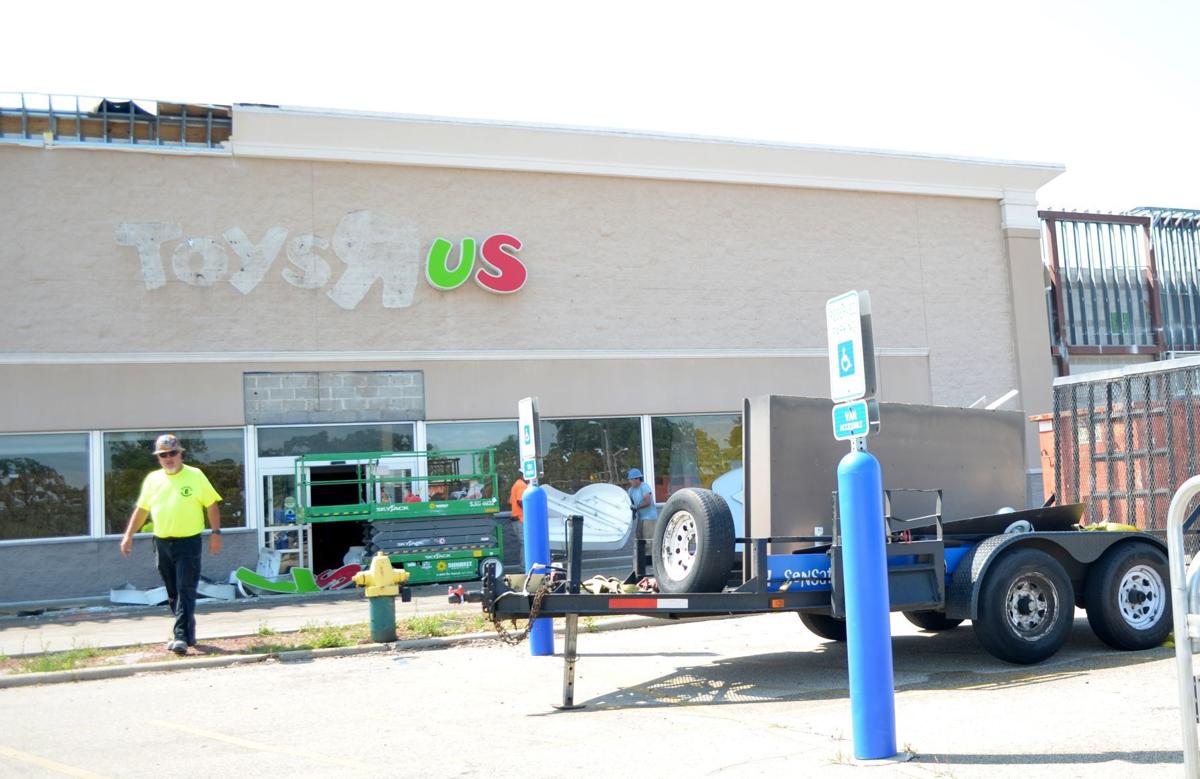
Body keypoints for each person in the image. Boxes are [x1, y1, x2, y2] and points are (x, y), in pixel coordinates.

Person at [119, 434, 222, 656]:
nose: (168, 458)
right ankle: (188, 634)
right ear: (158, 458)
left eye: (172, 453)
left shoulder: (195, 475)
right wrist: (128, 535)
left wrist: (215, 533)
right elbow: (142, 509)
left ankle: (180, 636)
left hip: (189, 542)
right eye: (163, 455)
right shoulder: (153, 479)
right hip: (162, 542)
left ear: (180, 454)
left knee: (186, 587)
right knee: (173, 591)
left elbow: (211, 504)